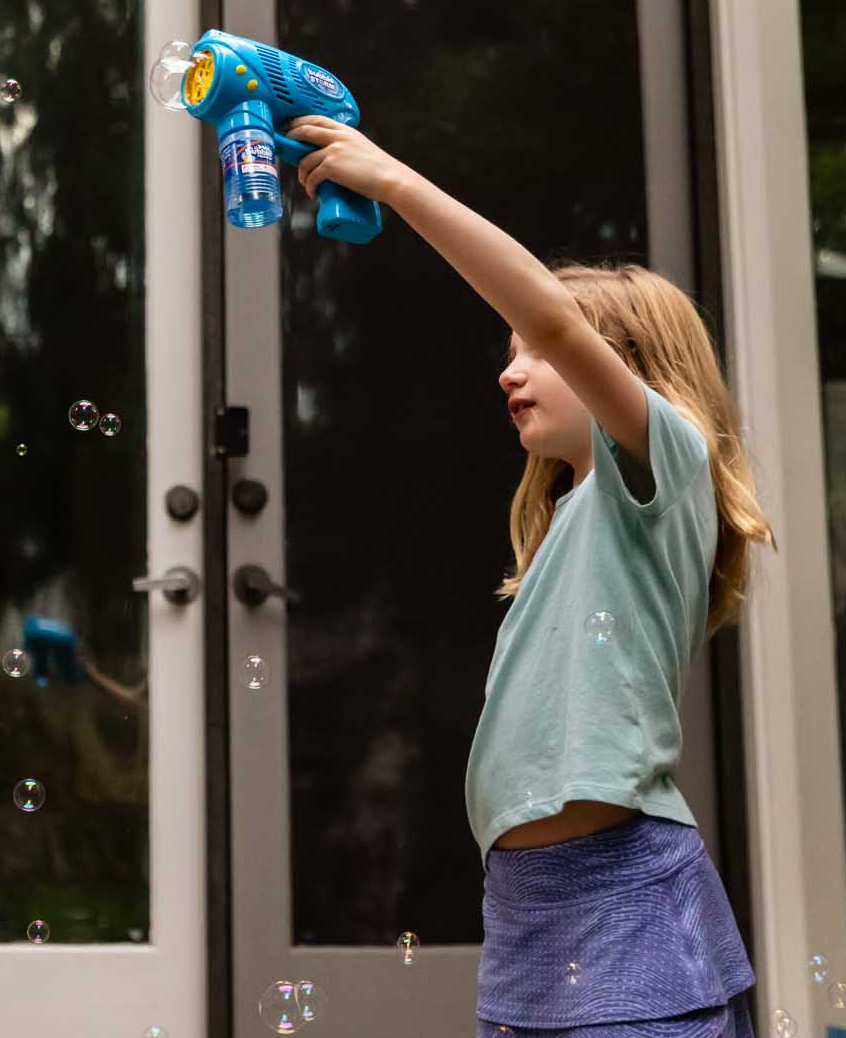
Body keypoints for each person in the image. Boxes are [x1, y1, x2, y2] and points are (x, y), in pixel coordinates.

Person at [287, 116, 774, 1038]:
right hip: (528, 914)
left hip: (625, 903)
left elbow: (548, 308)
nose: (514, 366)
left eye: (538, 350)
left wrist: (395, 181)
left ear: (629, 372)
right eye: (509, 352)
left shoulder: (663, 467)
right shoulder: (572, 524)